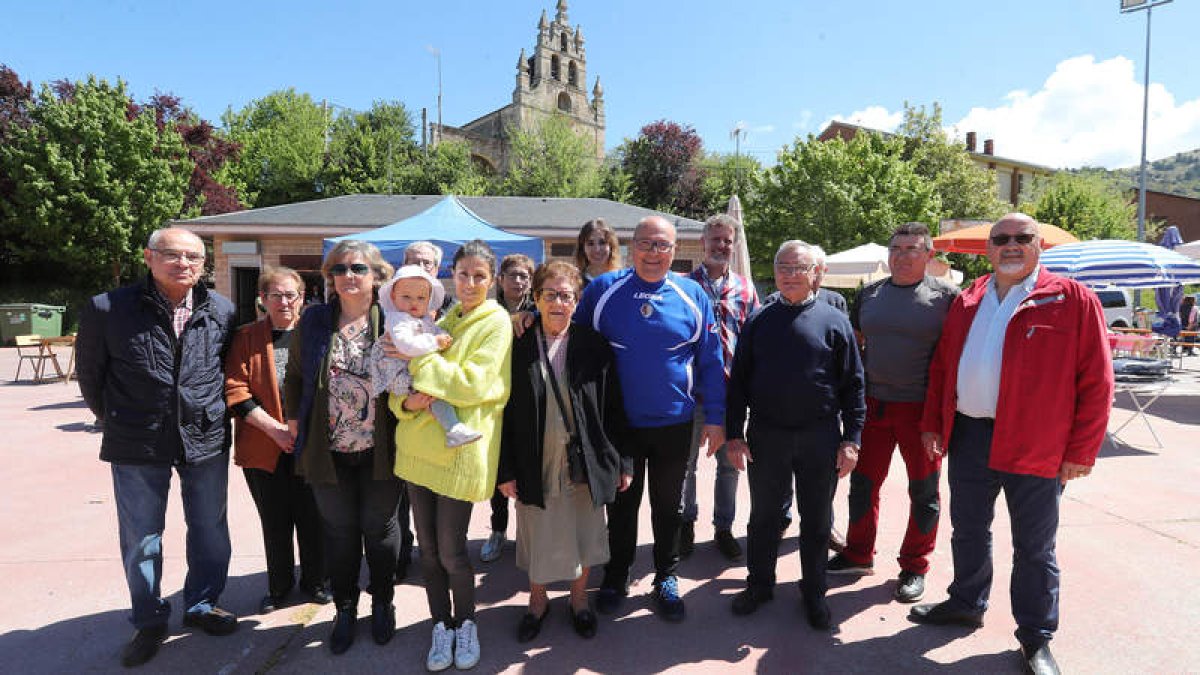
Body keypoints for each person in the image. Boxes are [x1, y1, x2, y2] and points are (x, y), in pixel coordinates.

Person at [910, 213, 1113, 675]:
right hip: (969, 434)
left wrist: (1081, 451)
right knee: (968, 529)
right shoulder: (969, 298)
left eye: (1023, 238)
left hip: (1036, 442)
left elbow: (1098, 380)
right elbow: (943, 368)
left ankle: (1035, 638)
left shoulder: (1071, 299)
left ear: (1039, 246)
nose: (1011, 245)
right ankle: (966, 601)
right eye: (1001, 239)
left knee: (1035, 546)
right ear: (988, 249)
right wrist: (934, 425)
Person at [76, 228, 238, 668]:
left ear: (203, 265)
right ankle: (149, 620)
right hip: (136, 441)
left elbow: (226, 371)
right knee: (142, 538)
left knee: (209, 527)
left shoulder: (221, 310)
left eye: (193, 257)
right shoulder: (107, 308)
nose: (183, 263)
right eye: (172, 254)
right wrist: (118, 418)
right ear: (149, 257)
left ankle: (202, 603)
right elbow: (91, 377)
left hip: (204, 438)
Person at [574, 215, 726, 623]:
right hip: (619, 426)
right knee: (622, 505)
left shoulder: (693, 294)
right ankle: (617, 574)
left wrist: (716, 419)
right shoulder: (604, 291)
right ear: (630, 245)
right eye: (645, 243)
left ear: (675, 251)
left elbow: (711, 361)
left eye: (662, 246)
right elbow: (570, 342)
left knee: (668, 506)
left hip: (675, 423)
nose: (653, 253)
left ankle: (666, 576)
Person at [724, 240, 865, 630]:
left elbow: (854, 385)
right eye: (782, 267)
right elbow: (738, 385)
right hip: (767, 435)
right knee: (764, 517)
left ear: (816, 274)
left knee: (817, 520)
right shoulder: (758, 320)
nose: (788, 274)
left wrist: (851, 439)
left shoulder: (834, 321)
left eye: (797, 268)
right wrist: (734, 435)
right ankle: (760, 584)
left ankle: (814, 590)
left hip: (820, 435)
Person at [391, 239, 513, 672]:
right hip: (416, 450)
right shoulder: (442, 317)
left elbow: (473, 384)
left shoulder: (495, 321)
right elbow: (399, 388)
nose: (470, 283)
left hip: (459, 454)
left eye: (480, 276)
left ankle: (466, 623)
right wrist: (406, 405)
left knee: (452, 553)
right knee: (426, 554)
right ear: (452, 276)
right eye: (463, 274)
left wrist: (420, 364)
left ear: (492, 280)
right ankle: (440, 625)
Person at [497, 261, 631, 643]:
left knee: (585, 532)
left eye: (566, 295)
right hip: (533, 459)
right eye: (550, 295)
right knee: (537, 533)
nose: (558, 303)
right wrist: (504, 471)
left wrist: (623, 462)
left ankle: (578, 602)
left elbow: (614, 409)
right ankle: (537, 603)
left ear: (577, 301)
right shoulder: (517, 343)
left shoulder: (594, 345)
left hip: (584, 458)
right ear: (535, 298)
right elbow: (501, 413)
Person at [825, 223, 959, 606]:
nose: (902, 255)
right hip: (873, 407)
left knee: (925, 492)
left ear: (929, 255)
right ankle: (858, 553)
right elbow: (854, 349)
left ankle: (914, 566)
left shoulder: (948, 297)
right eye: (896, 248)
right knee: (863, 486)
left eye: (912, 249)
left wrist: (942, 416)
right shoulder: (869, 294)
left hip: (921, 412)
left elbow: (954, 358)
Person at [284, 241, 402, 655]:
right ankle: (346, 608)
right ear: (329, 277)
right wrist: (294, 421)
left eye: (358, 268)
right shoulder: (315, 320)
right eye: (339, 269)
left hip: (382, 448)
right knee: (339, 533)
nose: (348, 275)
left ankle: (383, 601)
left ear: (376, 275)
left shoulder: (393, 318)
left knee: (380, 530)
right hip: (328, 449)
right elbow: (296, 375)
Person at [225, 267, 330, 616]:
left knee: (313, 519)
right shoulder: (246, 337)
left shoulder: (317, 334)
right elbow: (235, 389)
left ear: (302, 297)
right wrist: (276, 430)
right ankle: (279, 586)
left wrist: (302, 433)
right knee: (275, 521)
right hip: (265, 446)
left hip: (312, 446)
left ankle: (315, 582)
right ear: (263, 299)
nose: (284, 302)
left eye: (291, 295)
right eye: (276, 295)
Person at [680, 214, 760, 562]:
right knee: (686, 464)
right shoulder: (683, 285)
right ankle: (684, 524)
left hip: (731, 394)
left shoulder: (745, 288)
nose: (721, 246)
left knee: (729, 462)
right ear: (703, 242)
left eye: (727, 241)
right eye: (715, 240)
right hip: (690, 393)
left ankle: (723, 528)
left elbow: (755, 338)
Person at [369, 265, 482, 448]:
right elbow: (407, 345)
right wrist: (435, 342)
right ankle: (453, 428)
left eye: (421, 298)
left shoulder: (424, 319)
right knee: (432, 392)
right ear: (393, 297)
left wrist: (443, 337)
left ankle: (452, 427)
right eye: (406, 297)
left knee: (431, 392)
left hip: (411, 369)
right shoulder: (398, 320)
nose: (414, 302)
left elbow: (434, 331)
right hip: (398, 372)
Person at [481, 253, 537, 564]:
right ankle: (498, 530)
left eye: (524, 276)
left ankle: (529, 535)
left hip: (527, 399)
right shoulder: (488, 311)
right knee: (498, 470)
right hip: (493, 400)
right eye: (513, 275)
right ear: (500, 279)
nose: (518, 281)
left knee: (528, 465)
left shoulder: (538, 311)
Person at [574, 218, 623, 286]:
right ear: (582, 248)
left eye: (602, 242)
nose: (597, 249)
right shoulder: (574, 282)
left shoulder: (622, 281)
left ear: (611, 246)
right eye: (590, 243)